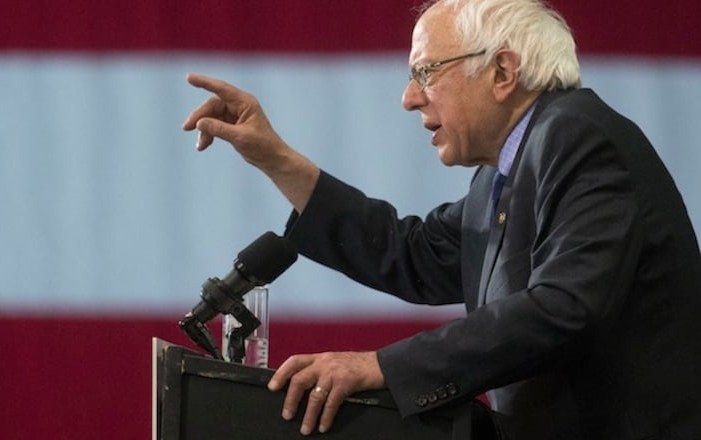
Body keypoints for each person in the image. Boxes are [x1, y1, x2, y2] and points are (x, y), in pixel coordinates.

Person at [181, 0, 701, 438]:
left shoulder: (577, 138)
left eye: (425, 72)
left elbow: (563, 309)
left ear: (502, 72)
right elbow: (414, 255)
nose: (409, 98)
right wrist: (274, 157)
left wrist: (379, 366)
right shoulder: (505, 172)